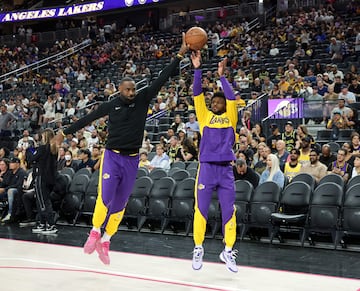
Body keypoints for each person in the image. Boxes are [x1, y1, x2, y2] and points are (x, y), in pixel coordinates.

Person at [55, 34, 188, 265]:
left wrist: (180, 54)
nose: (131, 92)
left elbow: (162, 77)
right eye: (127, 90)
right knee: (105, 198)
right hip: (113, 157)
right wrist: (64, 133)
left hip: (132, 159)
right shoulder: (110, 105)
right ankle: (95, 231)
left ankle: (106, 240)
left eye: (133, 89)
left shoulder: (144, 98)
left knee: (120, 204)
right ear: (119, 90)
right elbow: (86, 119)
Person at [190, 52, 238, 273]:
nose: (217, 103)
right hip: (207, 169)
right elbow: (197, 92)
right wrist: (198, 69)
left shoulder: (232, 117)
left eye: (220, 101)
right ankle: (198, 247)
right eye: (214, 101)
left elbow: (231, 98)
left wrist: (222, 77)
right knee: (201, 210)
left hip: (226, 170)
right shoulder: (204, 116)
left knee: (229, 211)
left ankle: (227, 250)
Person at [29, 129, 58, 234]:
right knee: (44, 201)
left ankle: (50, 224)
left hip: (41, 177)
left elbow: (32, 158)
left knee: (42, 202)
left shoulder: (42, 148)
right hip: (50, 178)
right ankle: (43, 223)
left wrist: (30, 150)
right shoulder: (54, 148)